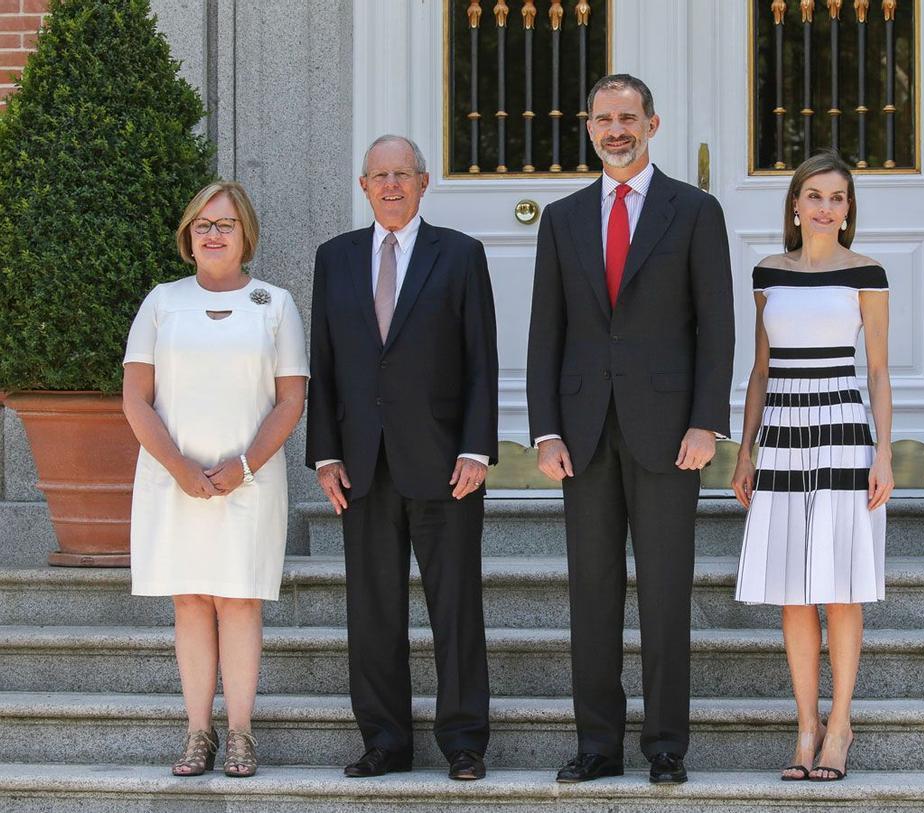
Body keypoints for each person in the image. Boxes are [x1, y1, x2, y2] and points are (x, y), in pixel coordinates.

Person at [527, 74, 735, 785]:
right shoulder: (562, 218)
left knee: (666, 590)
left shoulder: (695, 211)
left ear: (653, 123)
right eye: (603, 118)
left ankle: (666, 744)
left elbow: (717, 326)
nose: (615, 129)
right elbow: (544, 335)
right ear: (588, 126)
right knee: (591, 590)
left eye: (627, 117)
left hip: (671, 429)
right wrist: (545, 430)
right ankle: (597, 744)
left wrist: (709, 420)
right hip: (583, 432)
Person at [306, 134, 498, 781]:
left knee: (455, 607)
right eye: (379, 176)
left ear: (423, 182)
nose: (391, 185)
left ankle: (465, 740)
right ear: (364, 186)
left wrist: (478, 446)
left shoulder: (461, 255)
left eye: (402, 174)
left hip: (446, 462)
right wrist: (324, 454)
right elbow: (324, 366)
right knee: (373, 609)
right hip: (361, 463)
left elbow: (481, 361)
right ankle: (385, 740)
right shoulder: (333, 260)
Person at [123, 181, 310, 778]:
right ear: (188, 234)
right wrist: (178, 467)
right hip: (173, 480)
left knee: (239, 598)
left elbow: (290, 400)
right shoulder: (160, 302)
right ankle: (198, 732)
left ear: (245, 234)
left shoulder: (275, 304)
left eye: (225, 223)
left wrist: (244, 465)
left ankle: (241, 733)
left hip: (248, 482)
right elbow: (136, 398)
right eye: (203, 223)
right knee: (191, 599)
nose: (212, 233)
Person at [731, 150, 894, 782]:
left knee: (840, 586)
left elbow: (877, 370)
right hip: (782, 434)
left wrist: (884, 452)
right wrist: (745, 450)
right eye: (815, 195)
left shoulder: (868, 273)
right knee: (793, 593)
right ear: (795, 205)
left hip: (843, 432)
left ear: (848, 210)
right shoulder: (768, 272)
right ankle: (805, 726)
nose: (826, 207)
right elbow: (760, 369)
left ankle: (841, 724)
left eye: (838, 197)